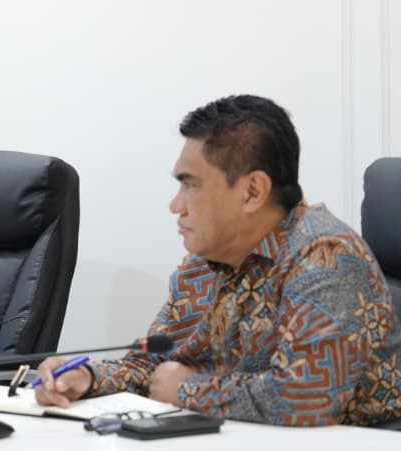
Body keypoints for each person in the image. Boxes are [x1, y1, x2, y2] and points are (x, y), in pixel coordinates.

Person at [35, 95, 401, 426]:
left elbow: (304, 398)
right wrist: (87, 377)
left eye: (191, 185)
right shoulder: (206, 262)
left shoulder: (324, 256)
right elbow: (154, 366)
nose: (176, 205)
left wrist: (187, 390)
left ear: (252, 191)